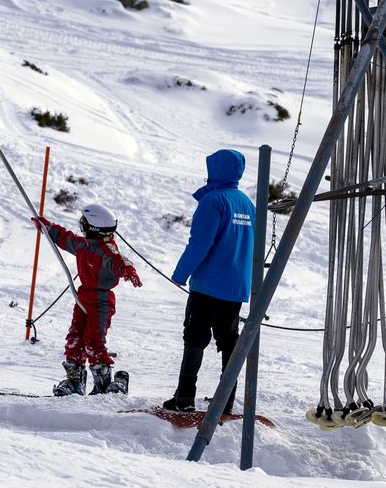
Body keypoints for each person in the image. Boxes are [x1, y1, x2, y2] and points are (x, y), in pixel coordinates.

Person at [163, 149, 256, 413]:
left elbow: (200, 243)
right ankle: (226, 399)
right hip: (236, 287)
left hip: (208, 285)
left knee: (195, 337)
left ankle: (184, 397)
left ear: (215, 170)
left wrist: (180, 274)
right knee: (229, 341)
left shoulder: (213, 201)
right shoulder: (247, 203)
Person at [32, 204, 142, 397]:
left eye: (83, 224)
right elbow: (65, 238)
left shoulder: (106, 250)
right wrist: (47, 228)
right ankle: (75, 382)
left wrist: (128, 271)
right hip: (83, 296)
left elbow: (119, 261)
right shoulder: (84, 245)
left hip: (101, 301)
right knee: (74, 337)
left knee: (93, 340)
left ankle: (103, 384)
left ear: (93, 227)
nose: (81, 228)